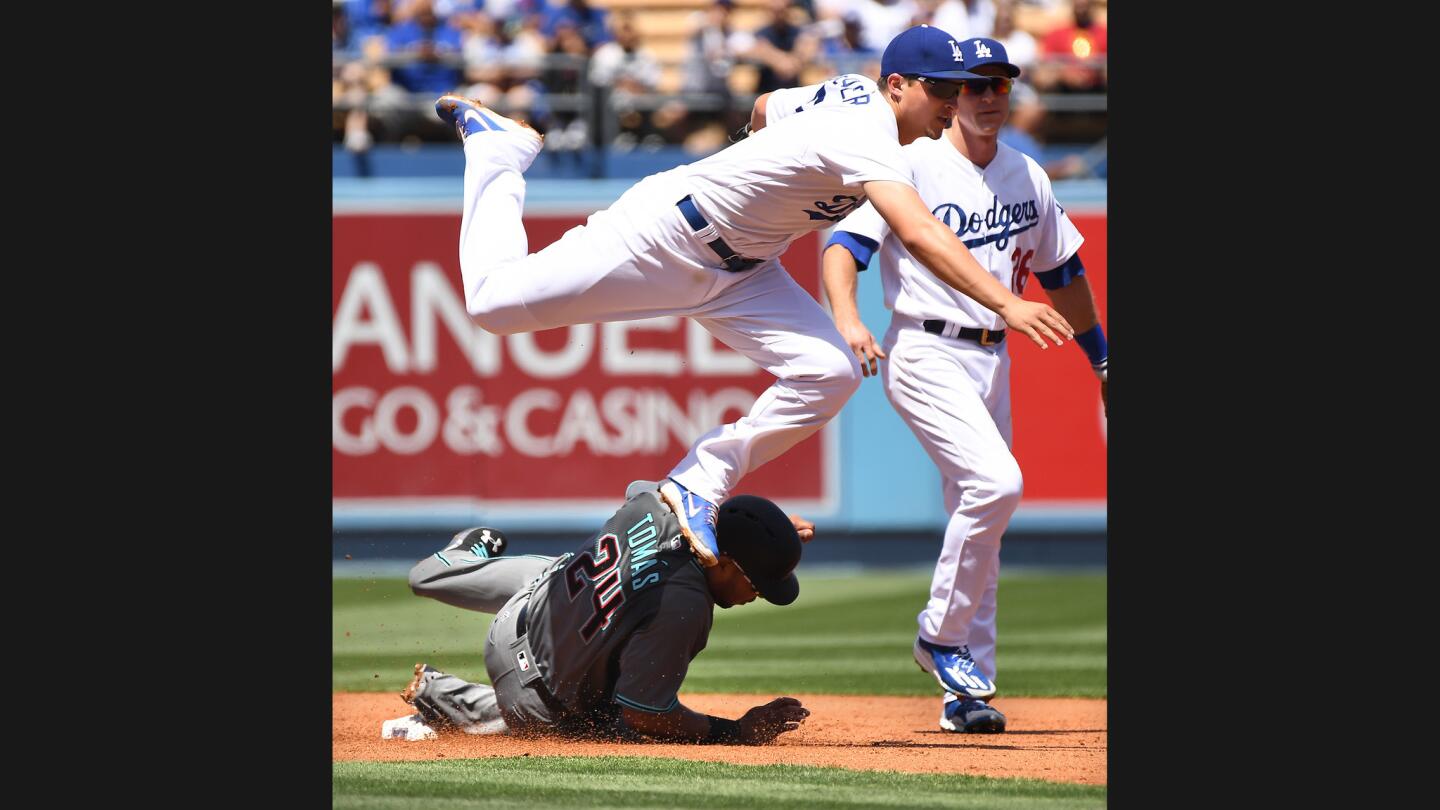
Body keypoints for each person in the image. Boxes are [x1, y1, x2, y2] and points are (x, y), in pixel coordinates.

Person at [430, 24, 1074, 569]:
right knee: (491, 304)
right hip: (669, 234)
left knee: (831, 370)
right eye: (939, 88)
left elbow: (767, 106)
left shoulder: (852, 99)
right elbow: (919, 230)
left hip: (745, 271)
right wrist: (1008, 303)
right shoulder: (867, 128)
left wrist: (756, 161)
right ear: (897, 86)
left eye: (958, 89)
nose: (950, 101)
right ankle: (497, 152)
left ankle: (696, 484)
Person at [819, 36, 1106, 734]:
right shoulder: (909, 163)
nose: (986, 97)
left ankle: (965, 694)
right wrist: (850, 319)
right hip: (923, 349)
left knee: (983, 523)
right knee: (997, 486)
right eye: (974, 85)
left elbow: (1063, 276)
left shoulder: (1025, 175)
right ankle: (938, 636)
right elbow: (843, 247)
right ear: (951, 96)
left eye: (999, 85)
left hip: (993, 361)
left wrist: (1102, 360)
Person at [382, 482, 816, 744]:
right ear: (723, 561)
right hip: (531, 688)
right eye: (756, 583)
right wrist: (734, 732)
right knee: (608, 725)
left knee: (426, 577)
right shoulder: (686, 608)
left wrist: (771, 536)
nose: (756, 595)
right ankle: (448, 697)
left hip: (534, 596)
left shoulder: (660, 502)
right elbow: (646, 713)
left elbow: (642, 489)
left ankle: (454, 560)